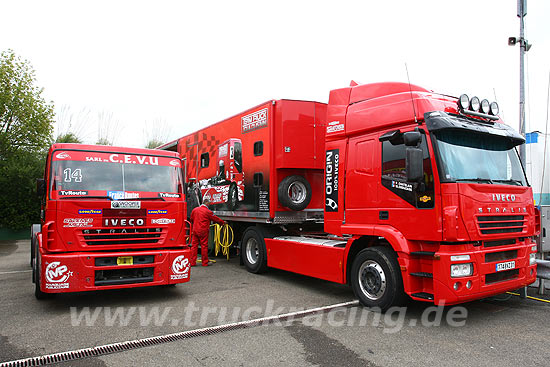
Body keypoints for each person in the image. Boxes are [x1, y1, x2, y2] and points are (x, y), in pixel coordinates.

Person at [189, 198, 225, 266]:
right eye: (209, 203)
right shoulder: (208, 212)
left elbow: (191, 219)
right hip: (203, 231)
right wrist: (223, 223)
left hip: (195, 230)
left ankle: (192, 262)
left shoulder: (195, 210)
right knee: (204, 246)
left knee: (194, 246)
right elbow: (216, 219)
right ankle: (205, 262)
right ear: (207, 203)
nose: (210, 205)